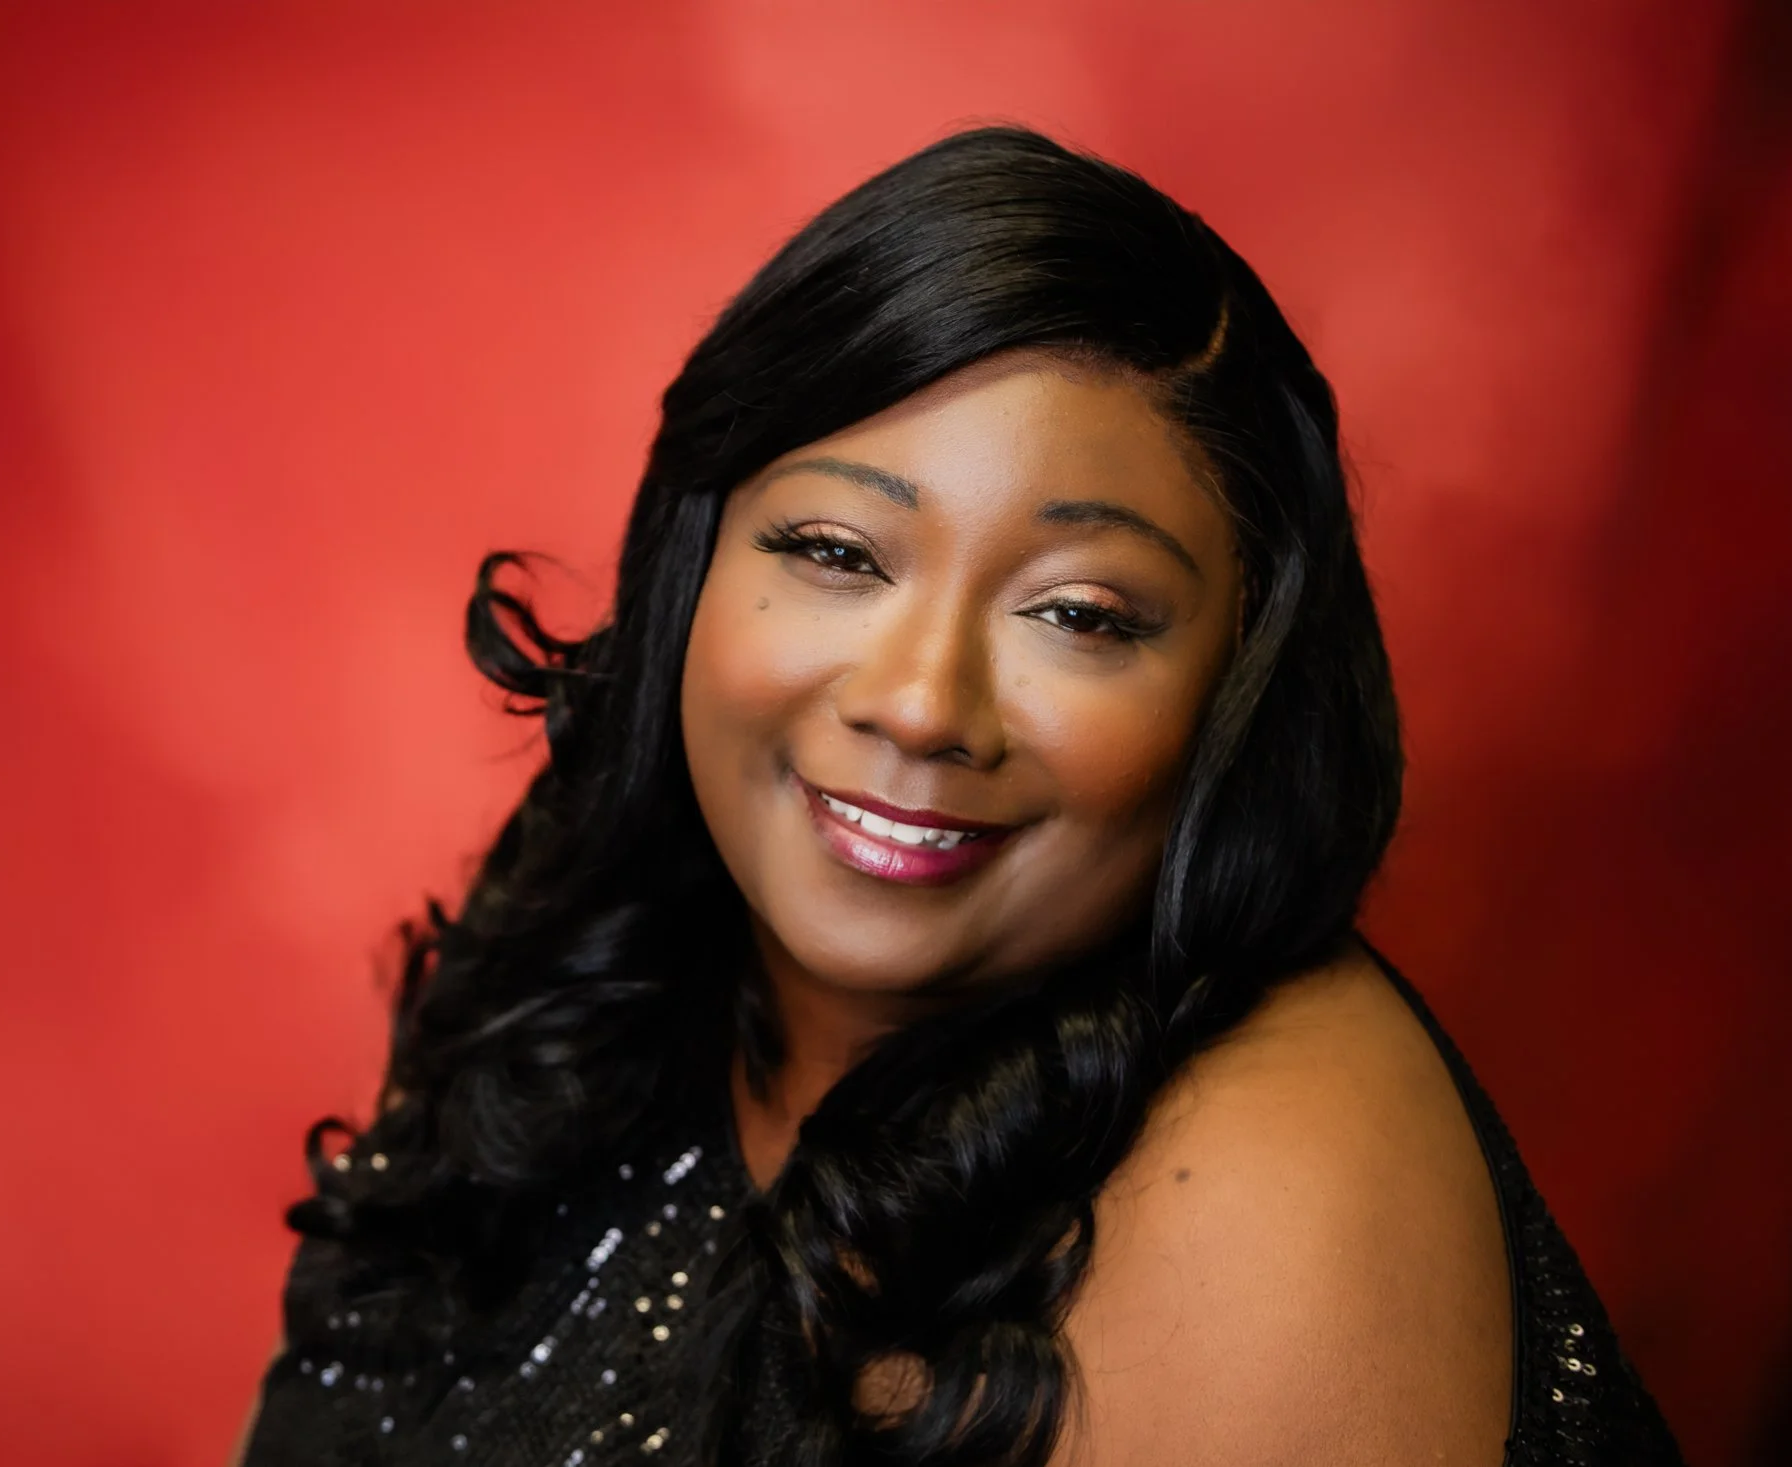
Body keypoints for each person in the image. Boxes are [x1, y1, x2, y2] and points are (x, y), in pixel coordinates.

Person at [236, 128, 1680, 1466]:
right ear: (696, 556)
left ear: (1237, 690)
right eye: (837, 552)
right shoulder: (595, 924)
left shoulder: (1278, 1185)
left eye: (1080, 614)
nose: (922, 704)